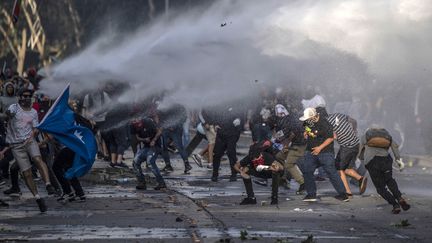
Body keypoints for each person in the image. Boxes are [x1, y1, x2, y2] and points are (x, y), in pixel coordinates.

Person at [4, 89, 56, 212]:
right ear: (20, 97)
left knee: (37, 159)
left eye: (29, 96)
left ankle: (48, 184)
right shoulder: (14, 107)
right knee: (26, 173)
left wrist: (33, 134)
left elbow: (35, 128)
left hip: (30, 140)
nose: (27, 98)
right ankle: (38, 198)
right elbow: (8, 113)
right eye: (25, 96)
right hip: (16, 145)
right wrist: (8, 114)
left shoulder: (33, 112)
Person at [299, 107, 349, 202]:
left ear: (314, 117)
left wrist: (319, 148)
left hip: (325, 152)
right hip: (310, 151)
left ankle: (343, 194)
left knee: (331, 172)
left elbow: (330, 138)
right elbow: (307, 127)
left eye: (308, 119)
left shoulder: (324, 123)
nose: (306, 121)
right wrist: (306, 132)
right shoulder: (307, 122)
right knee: (307, 170)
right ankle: (311, 194)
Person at [359, 126, 410, 214]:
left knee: (380, 188)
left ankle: (395, 205)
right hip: (386, 160)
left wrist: (361, 158)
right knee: (390, 180)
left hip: (372, 162)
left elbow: (360, 149)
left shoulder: (366, 135)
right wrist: (398, 160)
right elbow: (395, 146)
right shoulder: (387, 135)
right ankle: (400, 198)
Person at [327, 113, 368, 196]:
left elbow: (334, 137)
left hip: (347, 147)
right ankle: (360, 179)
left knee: (339, 169)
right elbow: (354, 121)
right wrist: (354, 130)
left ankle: (348, 192)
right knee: (346, 169)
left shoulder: (326, 123)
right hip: (356, 144)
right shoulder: (339, 115)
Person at [234, 140, 284, 205]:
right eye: (253, 159)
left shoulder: (267, 156)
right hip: (259, 171)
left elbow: (280, 168)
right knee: (245, 170)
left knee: (275, 172)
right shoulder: (250, 157)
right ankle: (251, 198)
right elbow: (236, 166)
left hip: (270, 171)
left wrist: (266, 167)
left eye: (256, 159)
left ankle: (274, 197)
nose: (254, 160)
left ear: (260, 155)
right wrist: (241, 172)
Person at [273, 104, 306, 194]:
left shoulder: (286, 121)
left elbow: (290, 134)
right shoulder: (289, 118)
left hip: (298, 144)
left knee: (289, 164)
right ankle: (283, 177)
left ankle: (303, 183)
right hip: (295, 143)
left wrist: (285, 145)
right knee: (279, 156)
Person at [132, 117, 167, 190]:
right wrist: (144, 139)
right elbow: (137, 137)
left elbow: (160, 131)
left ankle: (161, 183)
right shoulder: (132, 125)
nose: (136, 122)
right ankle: (141, 183)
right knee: (135, 162)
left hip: (156, 145)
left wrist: (154, 140)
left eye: (137, 120)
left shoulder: (148, 122)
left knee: (150, 162)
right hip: (146, 146)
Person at [211, 105, 242, 182]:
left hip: (232, 134)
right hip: (221, 134)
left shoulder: (236, 107)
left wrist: (235, 137)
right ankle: (215, 174)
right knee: (217, 154)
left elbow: (239, 121)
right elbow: (215, 116)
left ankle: (234, 174)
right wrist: (215, 124)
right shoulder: (220, 106)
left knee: (231, 154)